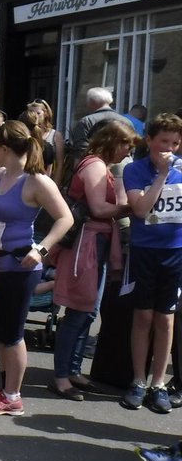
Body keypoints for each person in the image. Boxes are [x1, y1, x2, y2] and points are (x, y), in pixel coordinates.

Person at [0, 120, 72, 416]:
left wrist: (41, 249)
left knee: (13, 333)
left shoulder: (36, 181)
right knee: (2, 331)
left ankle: (13, 396)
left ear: (4, 148)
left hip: (20, 266)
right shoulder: (2, 173)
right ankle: (4, 389)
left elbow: (65, 218)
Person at [49, 121, 133, 400]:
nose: (128, 150)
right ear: (111, 140)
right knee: (79, 311)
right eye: (125, 144)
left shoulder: (100, 165)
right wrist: (133, 206)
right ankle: (62, 376)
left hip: (95, 240)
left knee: (87, 311)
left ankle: (72, 369)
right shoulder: (96, 166)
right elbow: (99, 208)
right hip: (87, 242)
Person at [121, 113, 182, 413]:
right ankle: (138, 380)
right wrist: (160, 175)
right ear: (149, 141)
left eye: (174, 143)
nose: (169, 149)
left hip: (175, 251)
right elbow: (142, 210)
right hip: (145, 250)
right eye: (163, 142)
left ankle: (159, 383)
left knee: (165, 319)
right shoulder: (135, 170)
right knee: (143, 317)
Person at [66, 88, 133, 181]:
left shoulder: (86, 121)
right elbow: (132, 146)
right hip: (122, 167)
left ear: (92, 102)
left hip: (95, 168)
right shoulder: (127, 121)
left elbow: (81, 149)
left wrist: (76, 173)